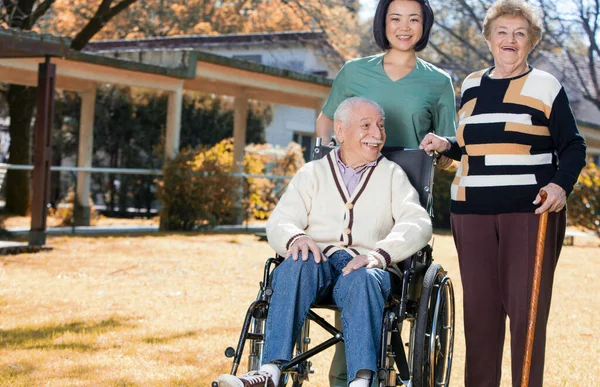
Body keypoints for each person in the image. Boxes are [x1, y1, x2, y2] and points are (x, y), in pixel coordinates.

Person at [419, 1, 587, 386]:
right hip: (470, 212)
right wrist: (445, 146)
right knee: (479, 317)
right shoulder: (472, 84)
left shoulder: (545, 85)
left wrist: (560, 185)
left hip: (528, 213)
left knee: (526, 316)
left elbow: (573, 146)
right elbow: (470, 147)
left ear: (531, 42)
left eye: (519, 33)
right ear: (489, 38)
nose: (509, 40)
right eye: (502, 32)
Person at [218, 97, 432, 387]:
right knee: (295, 265)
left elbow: (418, 223)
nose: (377, 134)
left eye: (381, 126)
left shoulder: (392, 175)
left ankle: (360, 380)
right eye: (366, 125)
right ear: (340, 132)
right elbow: (280, 220)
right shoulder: (312, 173)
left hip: (364, 268)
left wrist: (379, 255)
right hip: (317, 263)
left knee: (364, 277)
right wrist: (297, 237)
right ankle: (269, 372)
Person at [316, 2, 456, 382]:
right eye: (396, 17)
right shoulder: (353, 72)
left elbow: (450, 153)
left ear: (425, 25)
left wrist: (441, 147)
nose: (405, 27)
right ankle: (359, 373)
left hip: (398, 208)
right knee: (352, 271)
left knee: (365, 279)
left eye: (415, 19)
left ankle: (354, 375)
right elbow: (327, 120)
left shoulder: (438, 82)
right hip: (348, 202)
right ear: (383, 22)